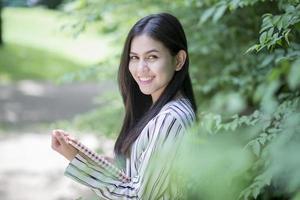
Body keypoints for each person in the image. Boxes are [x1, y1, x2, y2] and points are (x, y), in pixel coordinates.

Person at [51, 12, 197, 199]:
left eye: (152, 57)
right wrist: (85, 157)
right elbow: (138, 177)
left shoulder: (170, 118)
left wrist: (77, 161)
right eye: (134, 57)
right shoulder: (165, 110)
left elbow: (136, 197)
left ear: (178, 60)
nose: (140, 68)